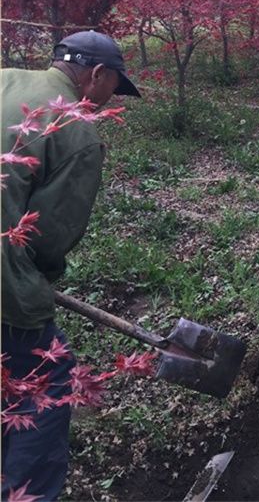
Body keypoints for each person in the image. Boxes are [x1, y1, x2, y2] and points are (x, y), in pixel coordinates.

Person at [1, 30, 140, 501]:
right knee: (45, 383)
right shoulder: (77, 133)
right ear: (95, 75)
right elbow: (48, 239)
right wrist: (35, 283)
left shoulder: (5, 80)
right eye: (112, 88)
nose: (107, 101)